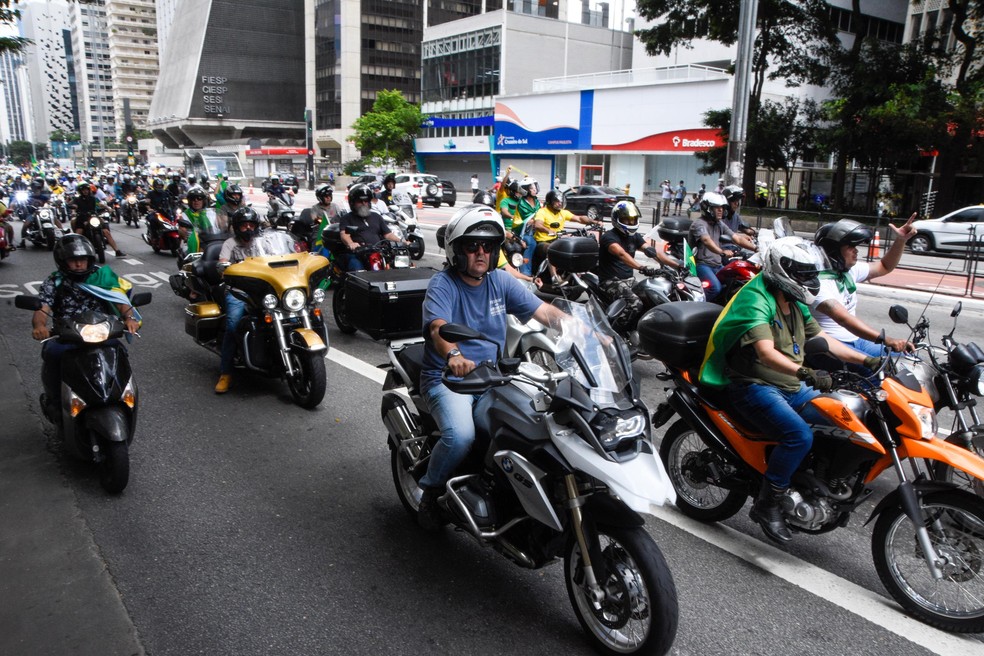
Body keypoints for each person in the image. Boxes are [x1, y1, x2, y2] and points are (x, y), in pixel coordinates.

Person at [699, 236, 878, 543]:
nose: (809, 280)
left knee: (842, 418)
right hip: (754, 385)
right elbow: (767, 353)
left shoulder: (793, 301)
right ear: (783, 272)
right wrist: (807, 372)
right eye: (803, 274)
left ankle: (810, 480)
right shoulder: (756, 299)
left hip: (789, 384)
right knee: (799, 436)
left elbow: (826, 341)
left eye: (811, 274)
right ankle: (767, 504)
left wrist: (868, 360)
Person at [415, 205, 569, 530]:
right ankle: (429, 490)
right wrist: (454, 354)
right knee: (460, 436)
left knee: (531, 425)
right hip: (448, 379)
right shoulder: (443, 285)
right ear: (457, 250)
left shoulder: (499, 281)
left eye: (488, 246)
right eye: (472, 246)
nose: (481, 252)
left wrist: (585, 331)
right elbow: (437, 328)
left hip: (491, 376)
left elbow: (544, 311)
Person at [32, 234, 141, 417]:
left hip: (101, 331)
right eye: (73, 260)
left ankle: (122, 395)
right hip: (67, 334)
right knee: (52, 353)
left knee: (119, 351)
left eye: (82, 260)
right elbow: (42, 309)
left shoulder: (102, 276)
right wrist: (39, 326)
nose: (78, 264)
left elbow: (120, 300)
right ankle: (55, 401)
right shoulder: (54, 281)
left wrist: (129, 318)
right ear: (62, 261)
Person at [811, 216, 918, 359]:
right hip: (833, 344)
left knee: (908, 360)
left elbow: (884, 266)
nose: (856, 251)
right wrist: (887, 340)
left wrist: (901, 240)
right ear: (834, 250)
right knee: (876, 372)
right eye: (851, 247)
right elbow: (844, 319)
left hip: (856, 340)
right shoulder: (818, 283)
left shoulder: (847, 271)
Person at [598, 201, 679, 335]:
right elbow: (621, 254)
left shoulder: (634, 237)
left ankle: (637, 330)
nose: (630, 223)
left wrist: (677, 265)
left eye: (633, 220)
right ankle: (612, 335)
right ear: (617, 219)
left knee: (651, 297)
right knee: (635, 303)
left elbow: (653, 251)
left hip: (629, 280)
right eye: (626, 220)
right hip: (610, 281)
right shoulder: (609, 237)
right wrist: (642, 268)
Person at [214, 207, 262, 394]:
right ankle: (226, 373)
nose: (248, 228)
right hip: (238, 290)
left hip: (263, 288)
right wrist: (225, 266)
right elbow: (223, 263)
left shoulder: (262, 242)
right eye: (244, 225)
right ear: (237, 227)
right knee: (233, 325)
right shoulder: (230, 243)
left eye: (251, 224)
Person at [687, 191, 756, 302]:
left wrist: (756, 249)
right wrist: (721, 251)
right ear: (708, 208)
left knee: (734, 283)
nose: (721, 210)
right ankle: (698, 309)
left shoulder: (719, 224)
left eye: (722, 207)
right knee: (715, 288)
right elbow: (706, 240)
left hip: (717, 265)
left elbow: (736, 238)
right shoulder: (699, 224)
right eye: (717, 207)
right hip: (702, 265)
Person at [529, 189, 601, 280]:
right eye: (557, 201)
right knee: (551, 250)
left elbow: (579, 219)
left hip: (557, 241)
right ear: (550, 201)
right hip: (542, 242)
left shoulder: (563, 213)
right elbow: (538, 224)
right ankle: (554, 277)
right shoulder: (542, 212)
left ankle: (574, 273)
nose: (560, 203)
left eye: (561, 201)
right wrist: (548, 230)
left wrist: (595, 222)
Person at [336, 183, 401, 270]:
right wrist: (351, 243)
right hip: (357, 254)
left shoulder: (376, 216)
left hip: (378, 253)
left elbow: (388, 234)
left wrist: (401, 242)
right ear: (352, 203)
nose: (364, 203)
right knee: (356, 267)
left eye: (366, 201)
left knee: (399, 266)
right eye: (360, 201)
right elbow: (344, 234)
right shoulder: (347, 218)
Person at [67, 181, 127, 256]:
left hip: (93, 217)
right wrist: (73, 207)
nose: (85, 191)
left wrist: (107, 208)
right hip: (82, 218)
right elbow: (71, 204)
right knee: (78, 233)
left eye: (86, 189)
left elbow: (100, 204)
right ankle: (76, 251)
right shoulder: (77, 199)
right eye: (83, 190)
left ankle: (117, 251)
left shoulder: (93, 198)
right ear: (80, 191)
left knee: (106, 232)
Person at [181, 186, 219, 252]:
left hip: (211, 241)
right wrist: (183, 234)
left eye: (199, 198)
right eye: (193, 199)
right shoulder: (185, 214)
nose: (196, 201)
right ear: (190, 201)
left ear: (204, 201)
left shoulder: (211, 213)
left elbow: (217, 227)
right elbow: (182, 230)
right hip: (192, 242)